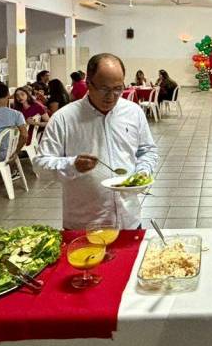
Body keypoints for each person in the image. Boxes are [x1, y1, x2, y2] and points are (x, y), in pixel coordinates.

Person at [35, 53, 159, 230]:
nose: (111, 96)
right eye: (104, 89)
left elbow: (147, 150)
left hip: (129, 221)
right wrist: (72, 165)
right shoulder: (64, 118)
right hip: (84, 224)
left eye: (118, 89)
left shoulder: (133, 112)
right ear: (88, 83)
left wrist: (142, 172)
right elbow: (40, 166)